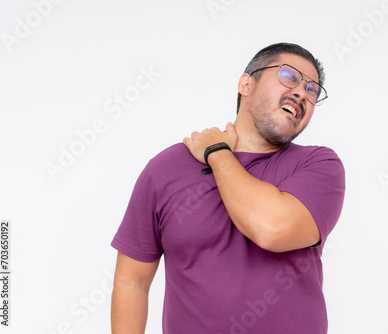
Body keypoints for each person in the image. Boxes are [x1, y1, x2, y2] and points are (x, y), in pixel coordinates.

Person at [111, 42, 345, 334]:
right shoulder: (166, 168)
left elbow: (271, 229)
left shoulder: (318, 165)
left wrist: (218, 153)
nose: (302, 93)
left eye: (312, 90)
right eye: (290, 76)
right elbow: (132, 281)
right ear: (246, 83)